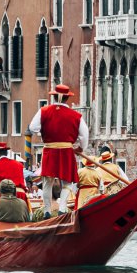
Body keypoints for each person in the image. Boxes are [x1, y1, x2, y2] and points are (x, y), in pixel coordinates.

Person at [29, 84, 89, 219]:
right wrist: (80, 148)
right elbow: (85, 135)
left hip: (50, 150)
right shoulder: (76, 115)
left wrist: (42, 132)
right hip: (67, 151)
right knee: (68, 182)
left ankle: (47, 211)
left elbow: (33, 127)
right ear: (67, 98)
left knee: (47, 182)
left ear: (54, 96)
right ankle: (62, 209)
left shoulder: (44, 111)